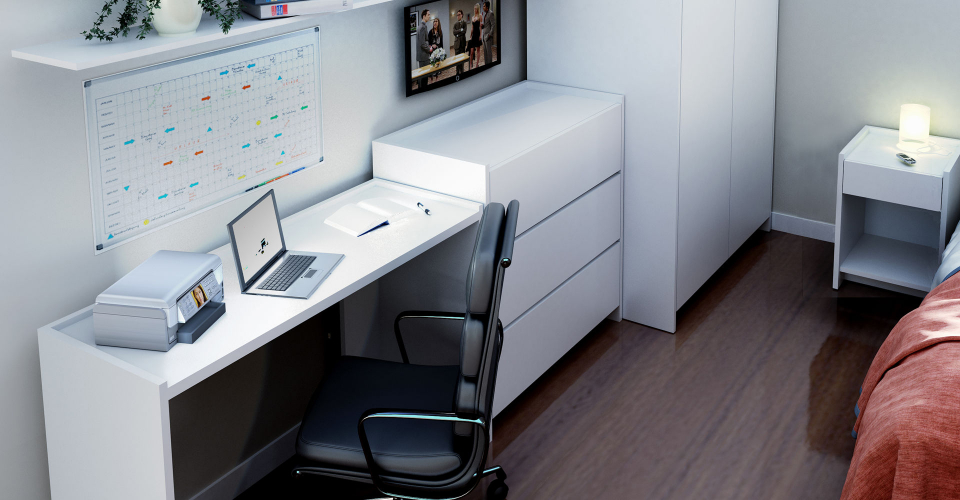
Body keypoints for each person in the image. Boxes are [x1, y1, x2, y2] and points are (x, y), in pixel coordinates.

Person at [415, 9, 435, 89]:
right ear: (424, 16)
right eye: (428, 15)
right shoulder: (423, 27)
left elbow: (423, 42)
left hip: (422, 56)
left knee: (422, 78)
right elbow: (422, 43)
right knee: (423, 78)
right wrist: (429, 49)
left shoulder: (420, 26)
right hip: (424, 56)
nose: (429, 16)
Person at [481, 1, 496, 67]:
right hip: (484, 36)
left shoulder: (491, 13)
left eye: (484, 6)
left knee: (489, 53)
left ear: (487, 7)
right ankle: (486, 65)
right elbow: (487, 24)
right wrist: (483, 26)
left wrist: (490, 34)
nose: (483, 7)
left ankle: (490, 65)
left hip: (488, 36)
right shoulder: (485, 14)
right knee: (485, 52)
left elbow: (493, 25)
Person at [468, 4, 482, 70]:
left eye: (476, 9)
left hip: (478, 34)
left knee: (478, 50)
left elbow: (481, 27)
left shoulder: (480, 16)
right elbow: (472, 28)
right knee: (471, 52)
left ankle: (477, 65)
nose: (475, 10)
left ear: (478, 9)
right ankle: (470, 66)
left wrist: (480, 35)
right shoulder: (472, 17)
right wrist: (470, 36)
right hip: (473, 35)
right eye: (474, 9)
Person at [453, 10, 467, 75]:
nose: (458, 16)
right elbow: (454, 32)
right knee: (457, 60)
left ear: (462, 15)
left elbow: (464, 31)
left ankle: (462, 71)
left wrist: (458, 34)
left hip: (462, 43)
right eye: (457, 15)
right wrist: (459, 30)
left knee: (462, 59)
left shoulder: (464, 23)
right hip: (456, 44)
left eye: (459, 15)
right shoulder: (455, 24)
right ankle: (457, 72)